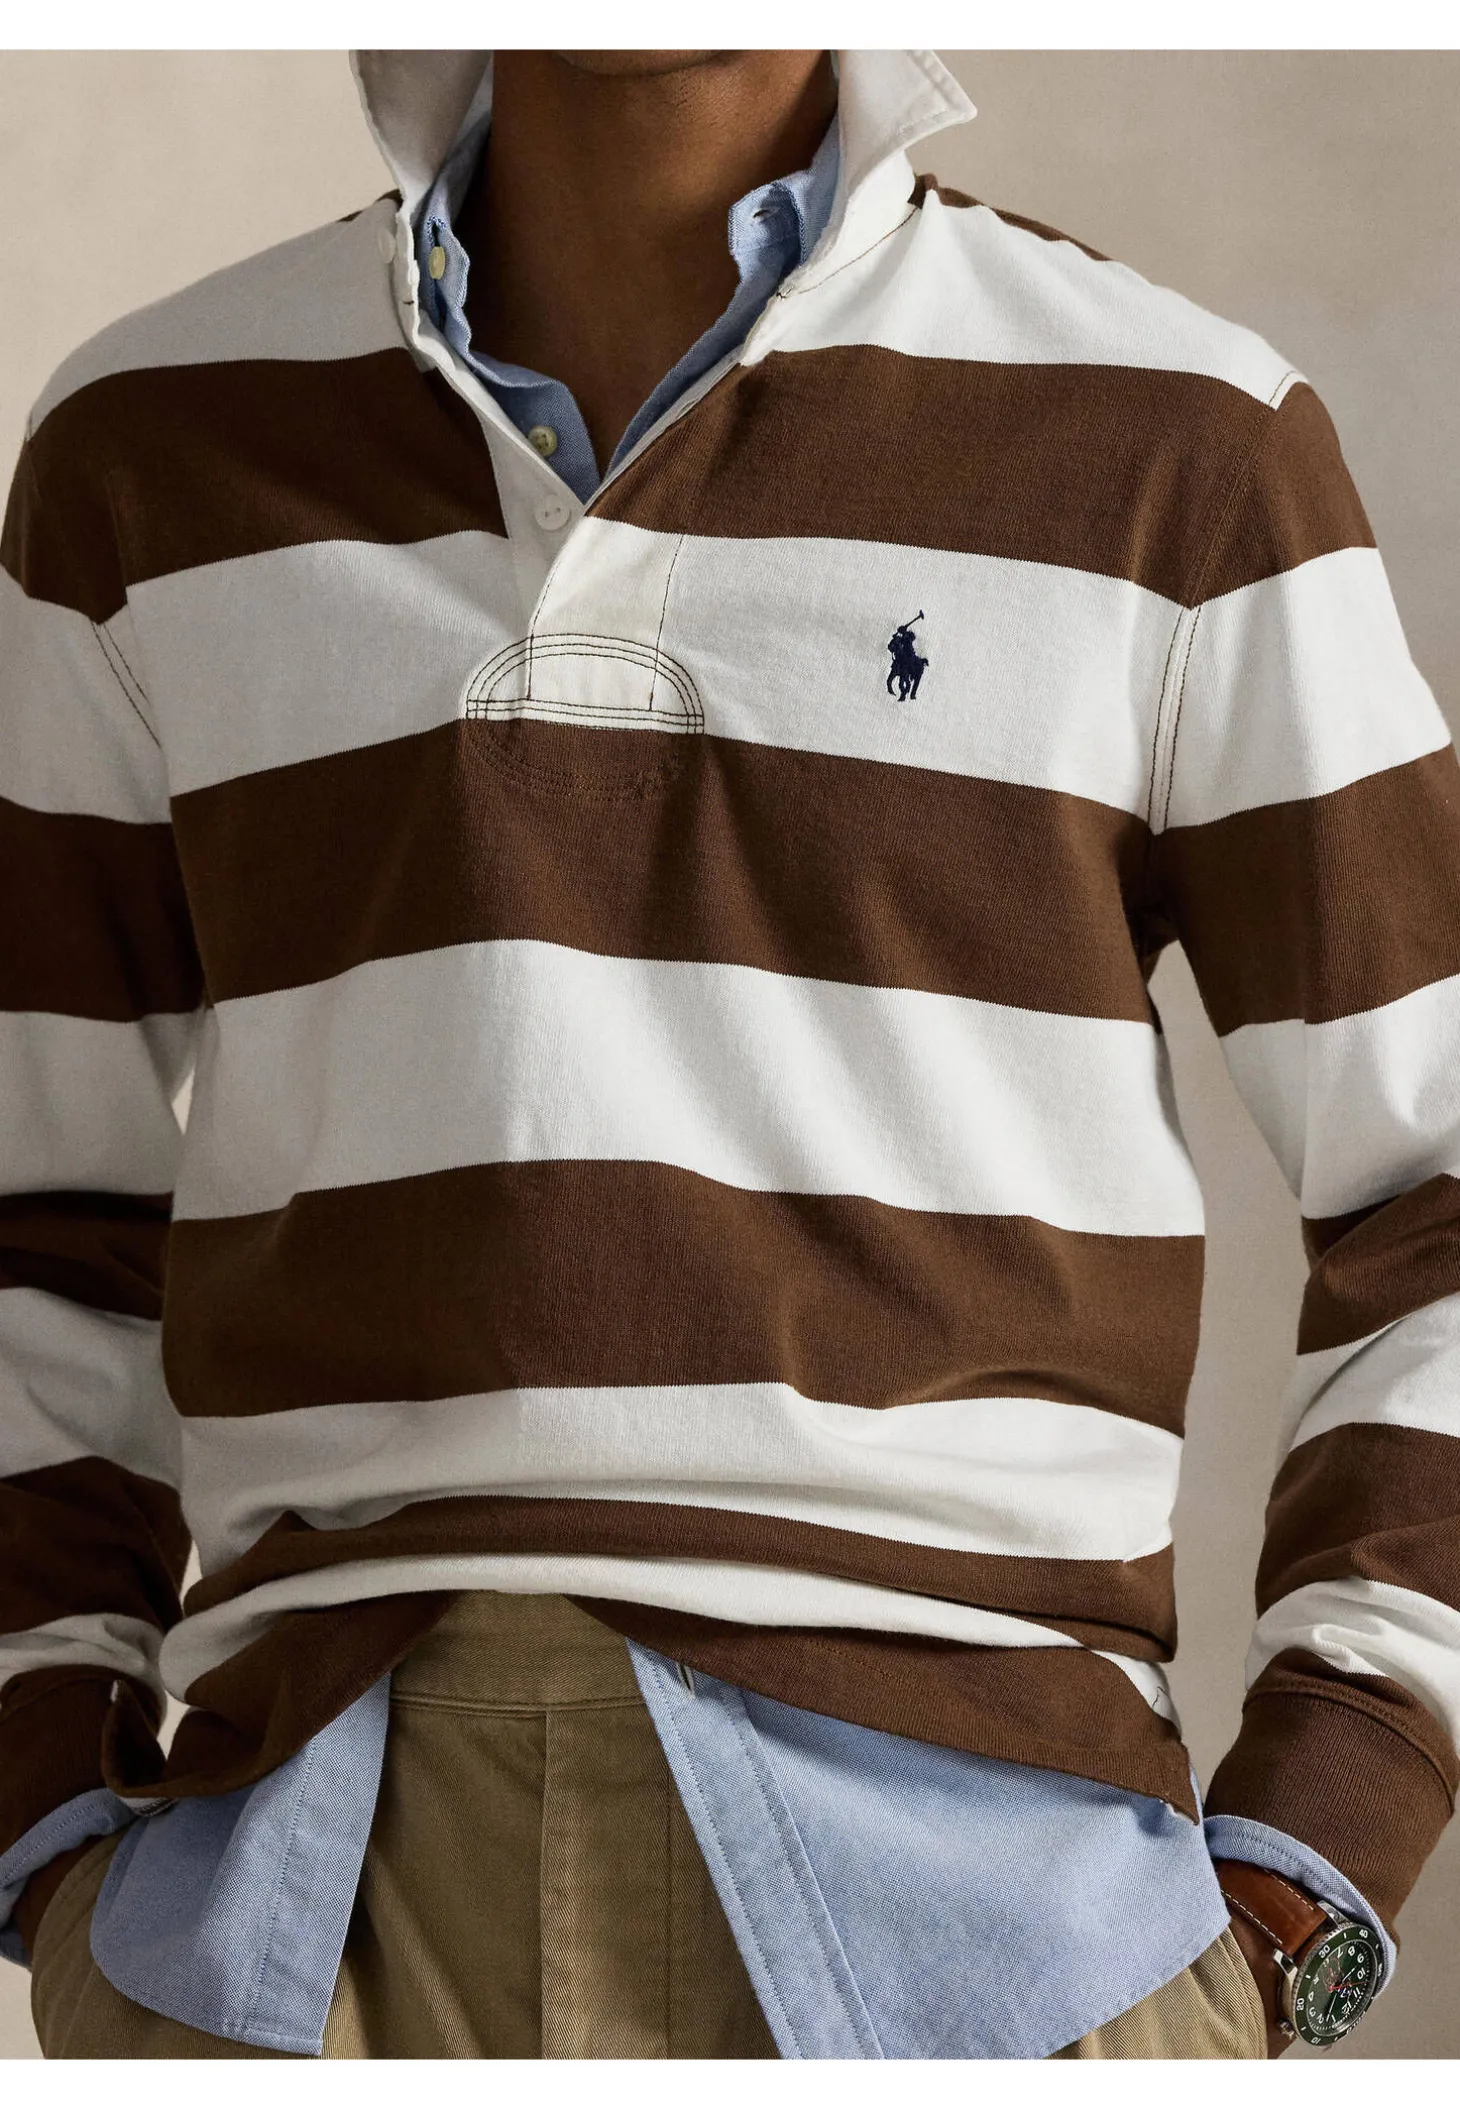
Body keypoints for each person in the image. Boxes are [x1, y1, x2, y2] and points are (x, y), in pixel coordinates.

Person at [0, 46, 1453, 2060]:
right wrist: (47, 1804)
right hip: (293, 1891)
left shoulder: (1178, 439)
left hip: (991, 1906)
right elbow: (37, 1203)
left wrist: (1321, 1853)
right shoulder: (151, 445)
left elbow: (1433, 1190)